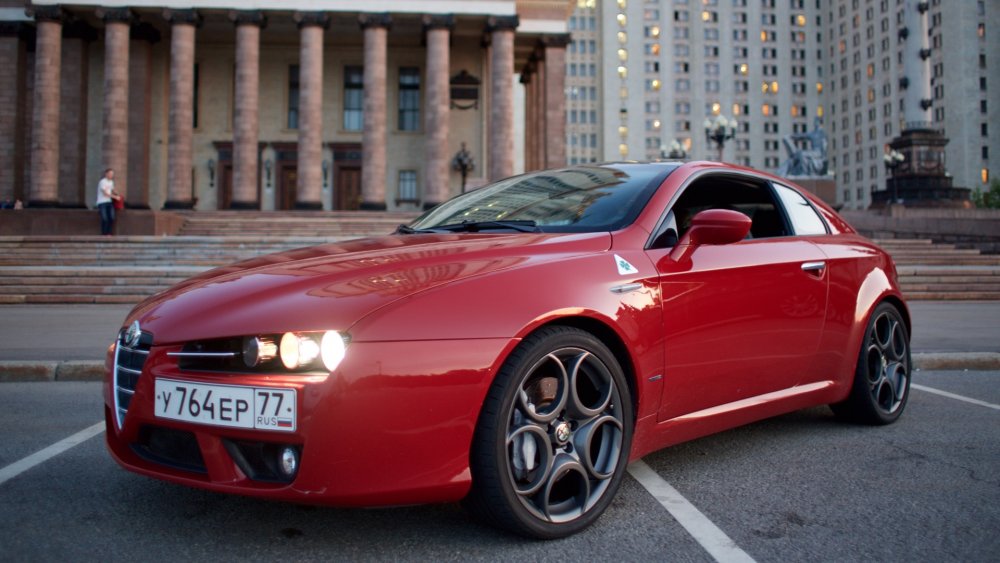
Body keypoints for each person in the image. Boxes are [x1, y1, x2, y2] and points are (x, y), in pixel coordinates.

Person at [96, 168, 121, 235]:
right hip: (102, 202)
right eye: (110, 174)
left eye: (112, 174)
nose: (111, 175)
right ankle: (104, 233)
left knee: (112, 217)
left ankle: (109, 233)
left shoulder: (111, 182)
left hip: (109, 202)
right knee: (104, 218)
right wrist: (115, 197)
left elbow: (112, 189)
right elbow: (105, 193)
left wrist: (118, 194)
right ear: (106, 174)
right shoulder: (102, 182)